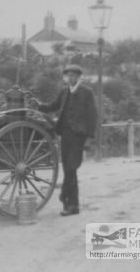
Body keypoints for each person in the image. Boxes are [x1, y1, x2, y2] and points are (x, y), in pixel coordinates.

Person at [35, 64, 97, 216]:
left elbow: (93, 116)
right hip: (65, 135)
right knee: (67, 169)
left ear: (78, 77)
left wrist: (89, 138)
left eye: (73, 75)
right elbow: (53, 106)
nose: (70, 78)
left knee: (71, 168)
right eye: (68, 76)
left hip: (78, 136)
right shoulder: (64, 92)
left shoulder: (86, 92)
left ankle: (71, 204)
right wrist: (39, 105)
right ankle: (67, 200)